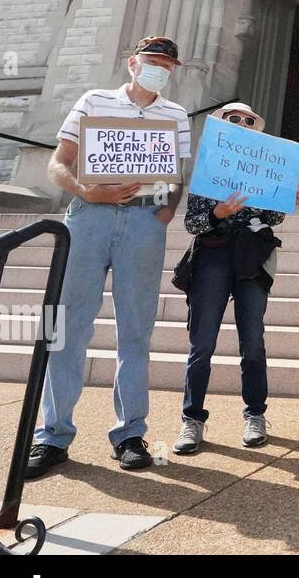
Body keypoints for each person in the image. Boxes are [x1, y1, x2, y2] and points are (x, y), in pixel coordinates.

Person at [27, 36, 191, 477]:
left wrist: (169, 209)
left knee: (136, 329)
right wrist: (86, 190)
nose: (158, 68)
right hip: (89, 216)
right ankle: (52, 435)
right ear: (133, 63)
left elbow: (177, 171)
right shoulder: (94, 100)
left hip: (143, 223)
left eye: (167, 64)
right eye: (152, 61)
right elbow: (58, 163)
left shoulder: (176, 114)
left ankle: (130, 433)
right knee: (66, 324)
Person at [171, 103, 299, 455]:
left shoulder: (261, 165)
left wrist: (287, 197)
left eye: (249, 121)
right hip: (213, 254)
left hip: (251, 255)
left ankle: (255, 415)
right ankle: (192, 420)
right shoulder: (207, 169)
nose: (244, 124)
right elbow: (193, 223)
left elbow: (272, 215)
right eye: (236, 120)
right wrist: (219, 212)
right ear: (221, 126)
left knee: (253, 340)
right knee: (202, 343)